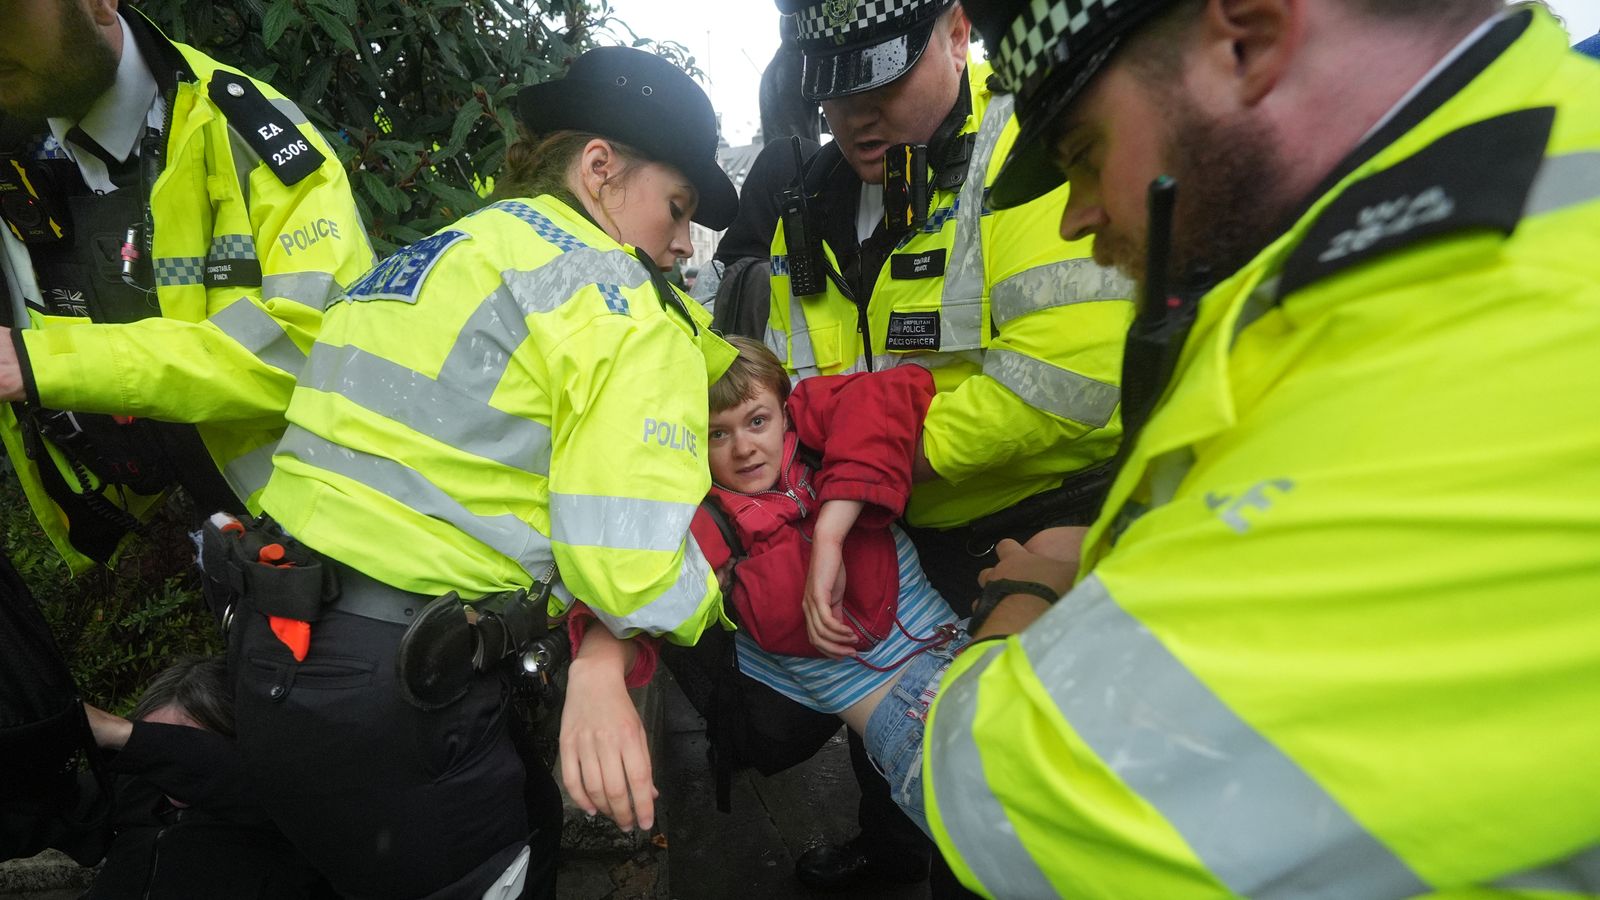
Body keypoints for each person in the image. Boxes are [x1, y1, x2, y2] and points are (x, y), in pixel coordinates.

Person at [924, 0, 1600, 895]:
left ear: (1246, 40)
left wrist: (1019, 604)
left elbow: (1021, 807)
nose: (1074, 219)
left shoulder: (1496, 323)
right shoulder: (1444, 214)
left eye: (1085, 155)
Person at [228, 46, 737, 899]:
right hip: (407, 696)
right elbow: (631, 570)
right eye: (677, 209)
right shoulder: (616, 302)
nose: (684, 247)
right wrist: (716, 576)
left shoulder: (448, 253)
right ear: (601, 169)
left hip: (269, 644)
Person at [734, 0, 1135, 889]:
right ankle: (888, 858)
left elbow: (1069, 387)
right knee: (899, 738)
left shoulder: (1030, 148)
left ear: (956, 33)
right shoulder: (809, 193)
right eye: (832, 96)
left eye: (882, 79)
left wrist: (866, 468)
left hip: (1038, 534)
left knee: (1011, 779)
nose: (854, 117)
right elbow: (795, 383)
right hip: (889, 525)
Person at [0, 0, 372, 573]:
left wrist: (38, 363)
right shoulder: (24, 157)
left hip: (343, 535)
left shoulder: (244, 132)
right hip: (219, 542)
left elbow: (314, 347)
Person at [692, 336, 969, 837]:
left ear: (786, 411)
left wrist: (830, 530)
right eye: (717, 434)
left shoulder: (815, 446)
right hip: (910, 732)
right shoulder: (706, 522)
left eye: (758, 420)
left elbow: (899, 386)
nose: (744, 447)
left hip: (968, 659)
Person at [79, 657, 331, 899]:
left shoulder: (281, 809)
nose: (159, 760)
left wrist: (119, 732)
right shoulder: (135, 789)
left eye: (180, 742)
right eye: (153, 737)